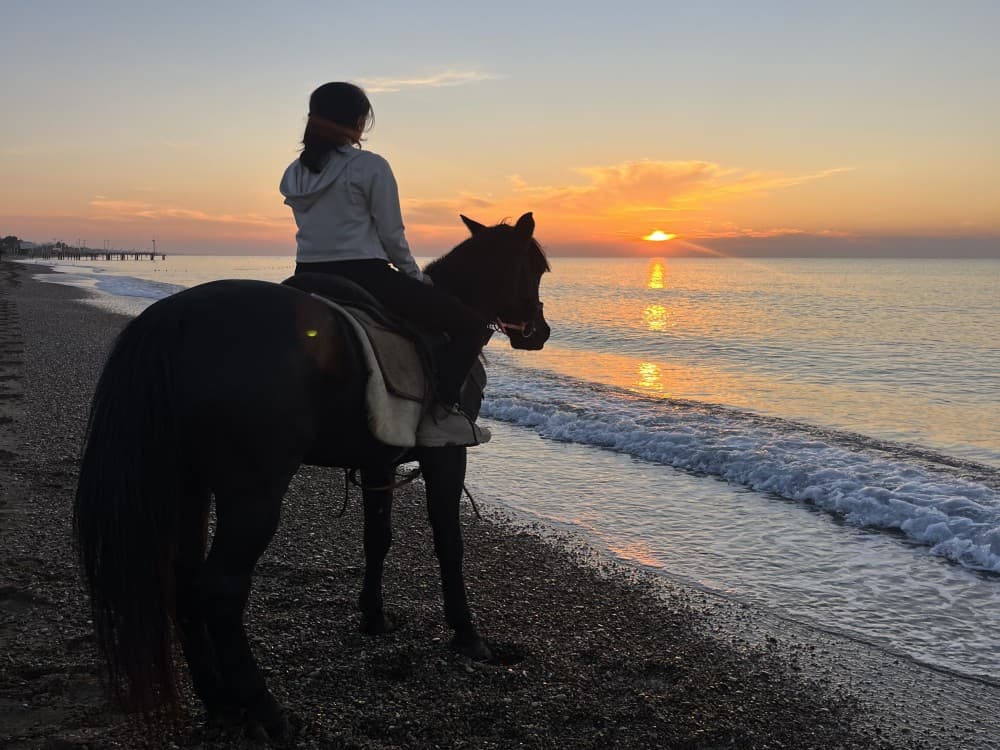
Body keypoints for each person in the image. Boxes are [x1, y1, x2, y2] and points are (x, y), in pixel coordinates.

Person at [279, 81, 490, 446]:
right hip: (365, 275)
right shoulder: (369, 166)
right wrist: (415, 277)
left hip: (306, 274)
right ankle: (439, 415)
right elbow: (392, 235)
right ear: (358, 122)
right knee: (470, 326)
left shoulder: (295, 173)